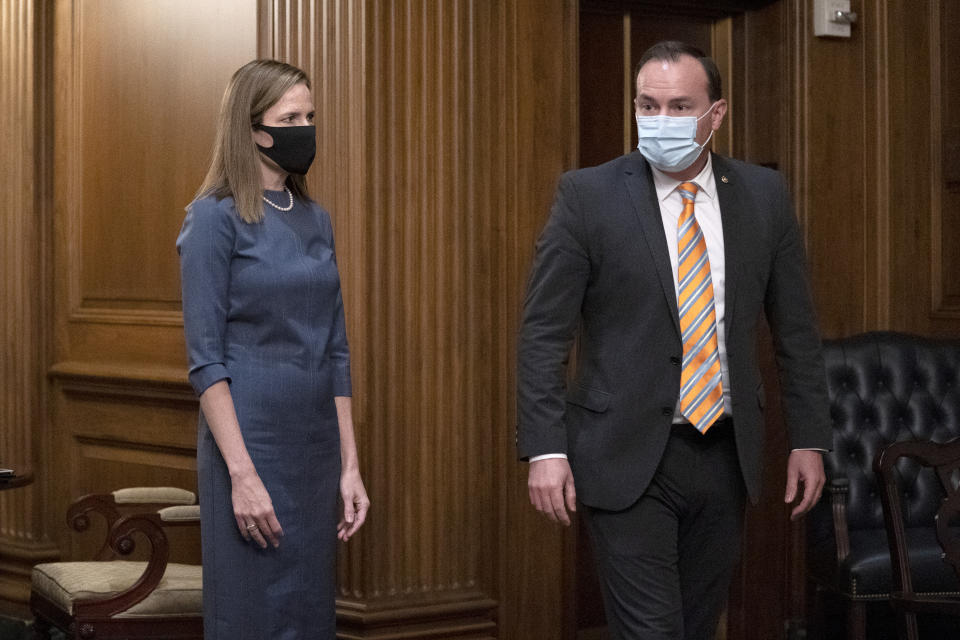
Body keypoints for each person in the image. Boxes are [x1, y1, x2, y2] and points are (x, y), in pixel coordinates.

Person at [517, 41, 831, 639]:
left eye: (679, 107)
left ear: (716, 115)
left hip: (724, 453)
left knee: (692, 626)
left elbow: (796, 332)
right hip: (623, 452)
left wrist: (810, 437)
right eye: (647, 105)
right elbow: (543, 332)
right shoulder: (587, 196)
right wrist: (545, 448)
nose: (660, 122)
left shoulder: (763, 197)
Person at [177, 59, 369, 639]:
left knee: (307, 620)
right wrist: (241, 474)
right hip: (250, 447)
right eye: (290, 117)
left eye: (309, 116)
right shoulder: (212, 219)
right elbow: (205, 361)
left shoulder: (317, 219)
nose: (304, 128)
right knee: (252, 618)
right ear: (251, 128)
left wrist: (350, 465)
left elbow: (336, 350)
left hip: (314, 453)